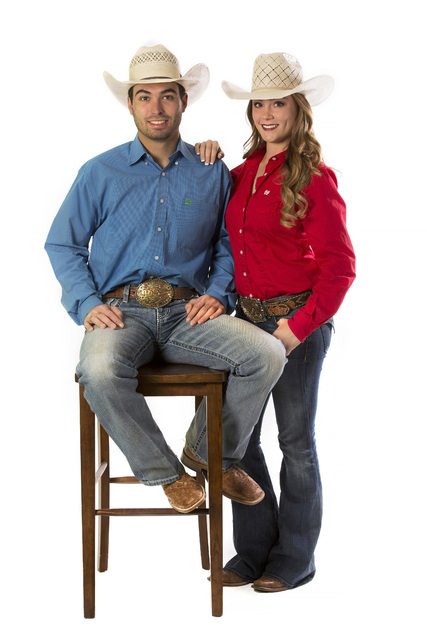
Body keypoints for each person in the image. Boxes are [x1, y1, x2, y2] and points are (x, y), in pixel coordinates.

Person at [45, 44, 286, 515]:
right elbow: (63, 244)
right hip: (120, 312)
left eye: (167, 96)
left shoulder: (210, 169)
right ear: (131, 103)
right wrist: (85, 302)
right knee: (97, 370)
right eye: (144, 97)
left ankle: (207, 452)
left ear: (183, 101)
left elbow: (227, 243)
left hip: (186, 314)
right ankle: (168, 474)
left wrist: (218, 294)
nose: (157, 109)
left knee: (267, 352)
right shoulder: (99, 171)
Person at [197, 51, 356, 591]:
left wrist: (297, 328)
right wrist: (206, 154)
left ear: (297, 108)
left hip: (297, 328)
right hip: (246, 324)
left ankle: (295, 558)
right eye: (258, 102)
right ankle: (254, 551)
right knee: (243, 440)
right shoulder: (240, 175)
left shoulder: (314, 177)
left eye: (278, 102)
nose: (267, 112)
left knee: (296, 441)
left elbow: (341, 267)